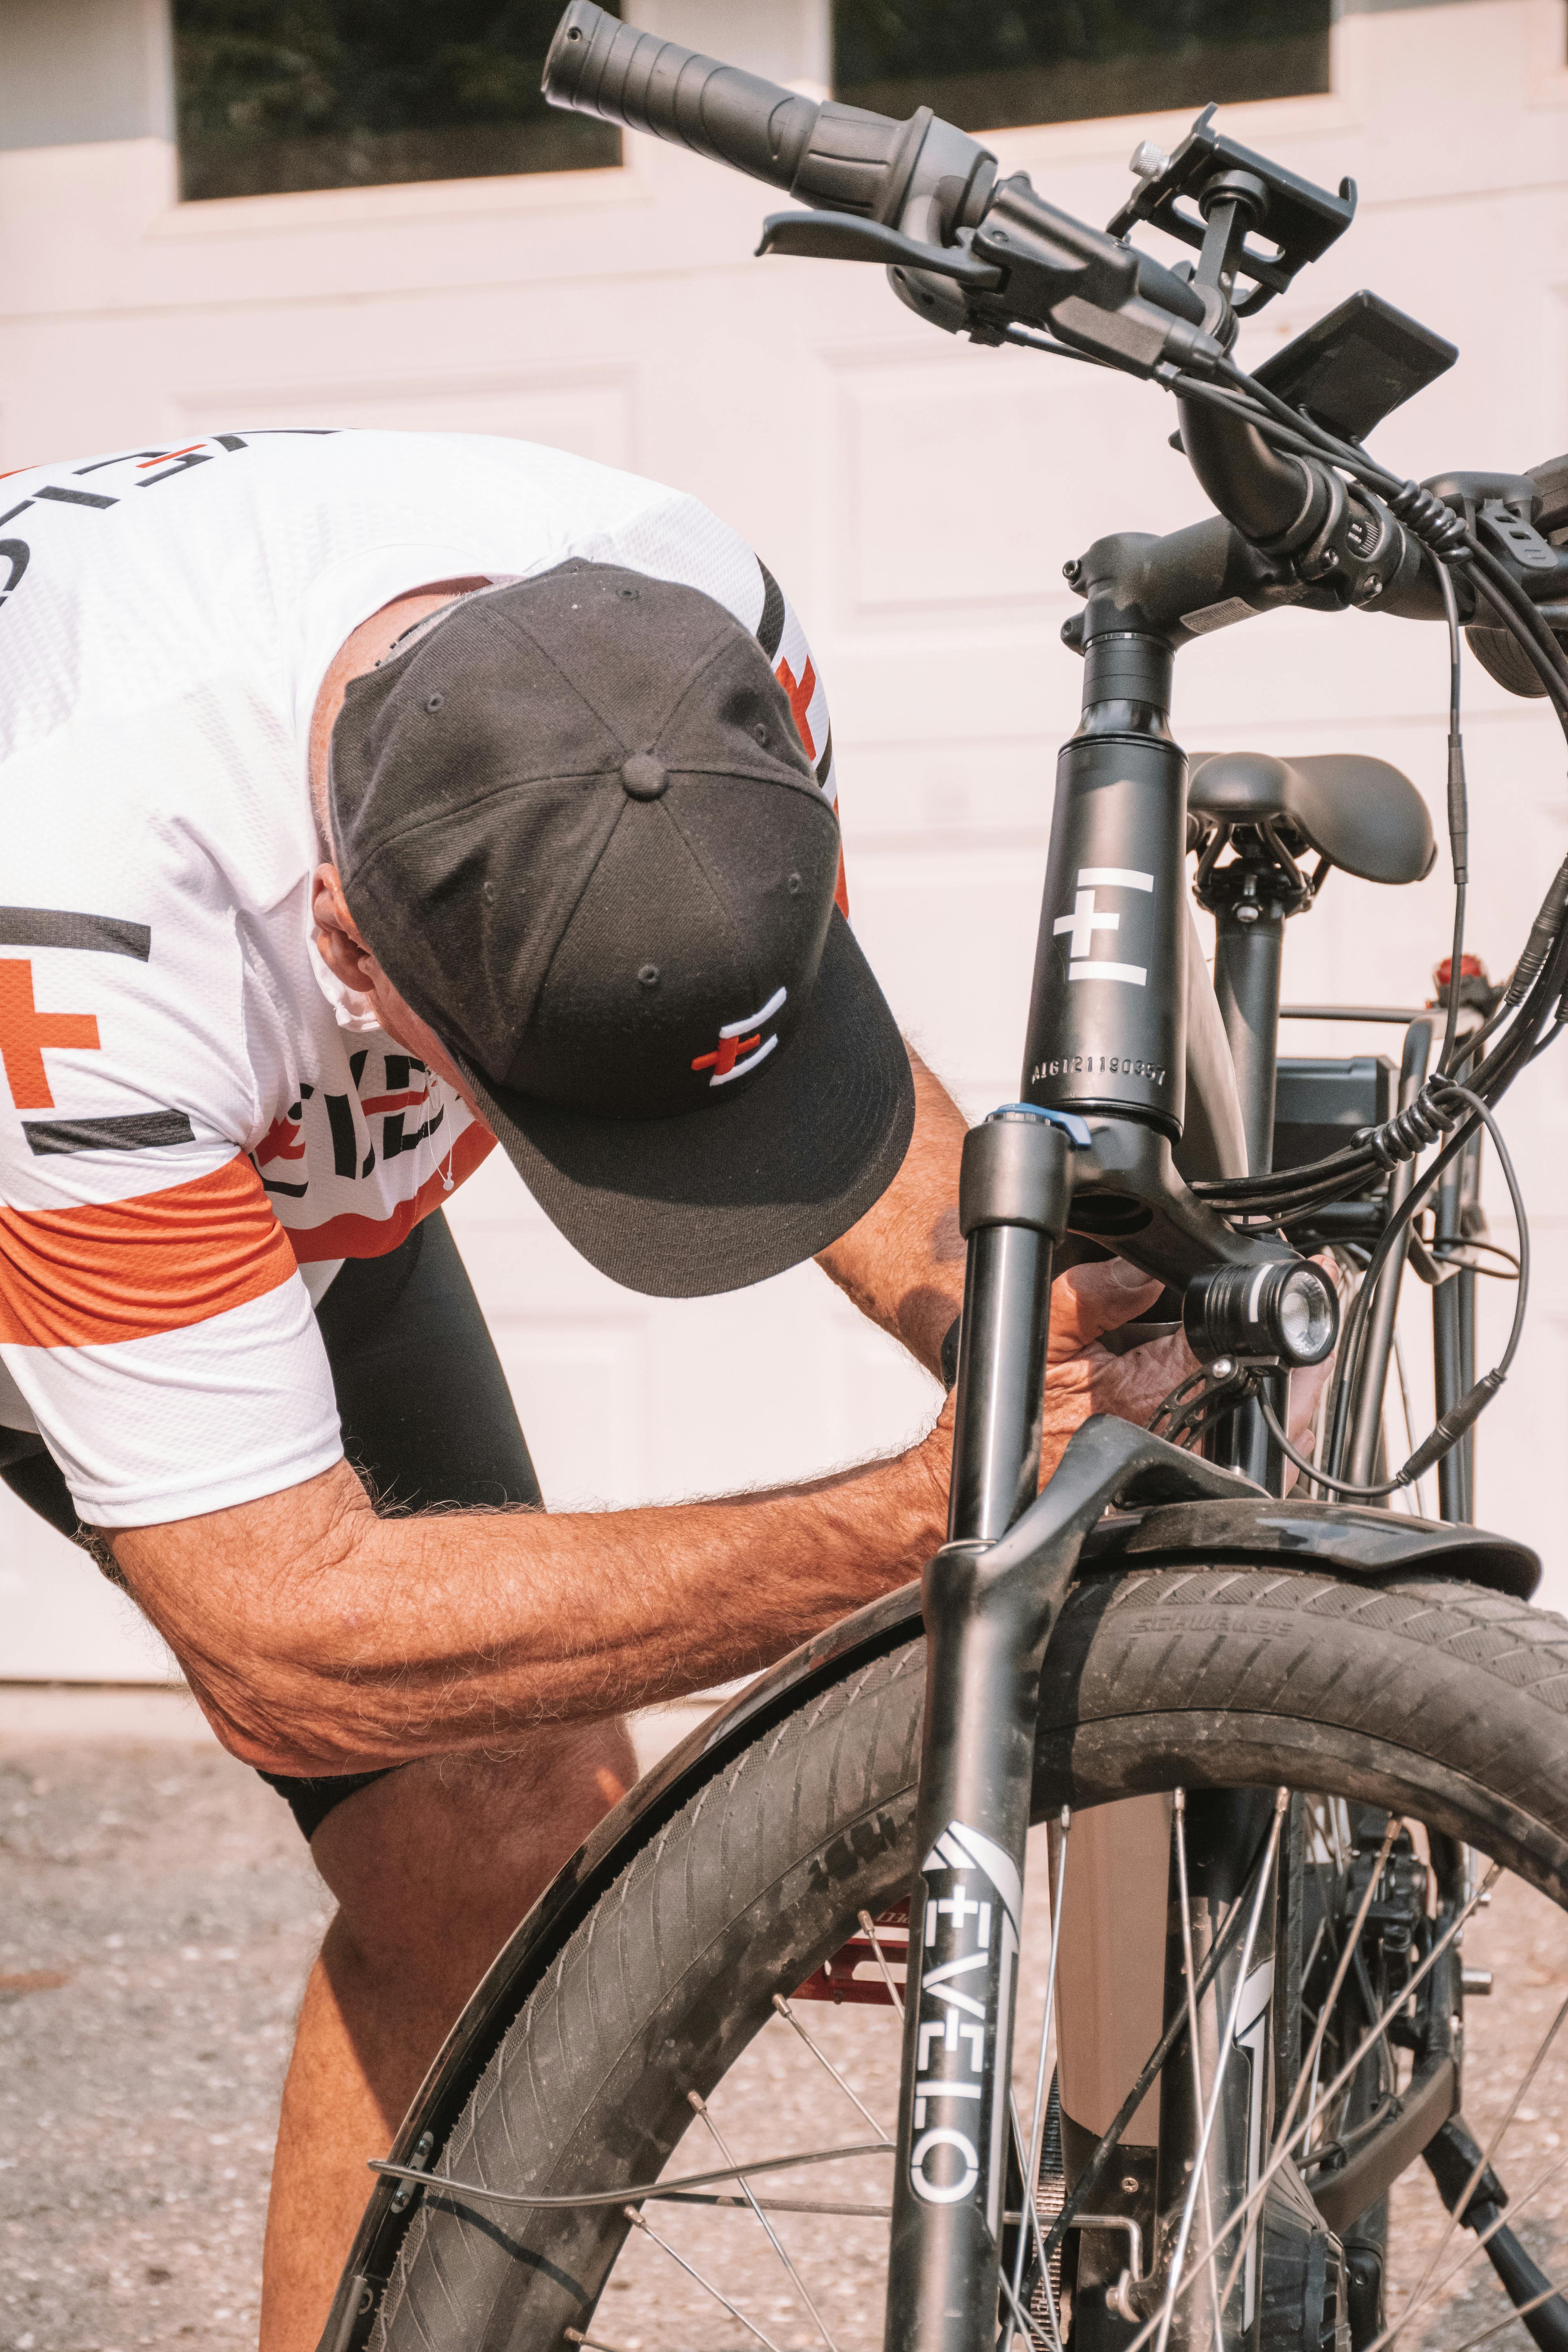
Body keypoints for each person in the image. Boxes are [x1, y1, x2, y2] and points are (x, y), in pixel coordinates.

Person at [0, 426, 1210, 2350]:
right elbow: (284, 1635)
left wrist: (1023, 1343)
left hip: (266, 1148)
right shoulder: (84, 918)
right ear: (351, 956)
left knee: (505, 1831)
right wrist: (920, 1521)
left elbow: (760, 1038)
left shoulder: (684, 627)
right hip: (69, 1113)